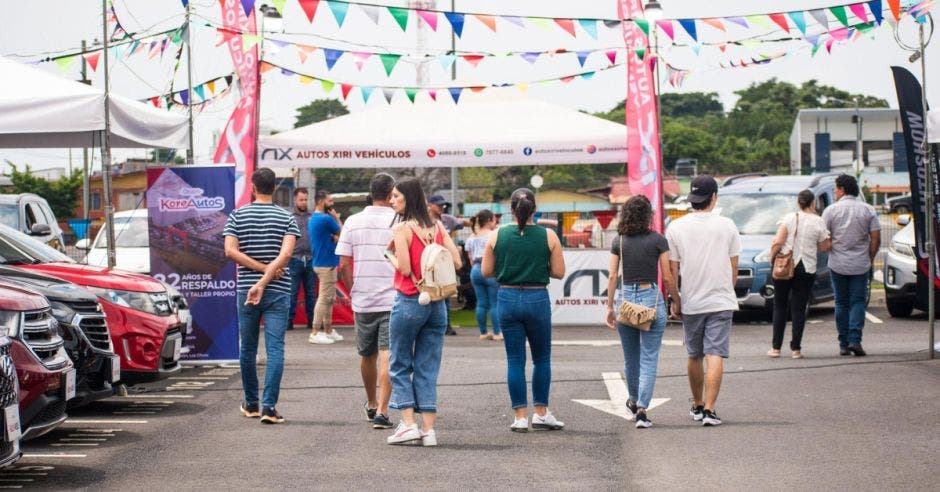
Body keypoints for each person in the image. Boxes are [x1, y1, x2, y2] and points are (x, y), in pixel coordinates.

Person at [482, 188, 566, 433]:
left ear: (511, 210)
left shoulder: (497, 235)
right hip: (536, 297)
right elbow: (559, 272)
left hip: (507, 297)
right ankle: (541, 412)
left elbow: (487, 271)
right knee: (541, 358)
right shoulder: (548, 236)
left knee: (515, 360)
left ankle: (520, 416)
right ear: (535, 210)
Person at [385, 178, 462, 446]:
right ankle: (429, 430)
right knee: (427, 366)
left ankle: (408, 424)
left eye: (396, 197)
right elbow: (456, 261)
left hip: (410, 300)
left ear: (407, 199)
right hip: (438, 303)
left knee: (399, 362)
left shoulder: (402, 229)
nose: (392, 201)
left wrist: (390, 256)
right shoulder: (437, 225)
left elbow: (405, 269)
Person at [223, 168, 300, 424]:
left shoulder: (237, 215)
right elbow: (287, 255)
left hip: (246, 288)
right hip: (277, 290)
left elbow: (230, 251)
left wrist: (257, 272)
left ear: (253, 188)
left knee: (248, 348)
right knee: (275, 348)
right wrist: (268, 271)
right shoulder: (286, 217)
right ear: (275, 188)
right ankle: (269, 407)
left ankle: (251, 403)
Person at [665, 175, 741, 427]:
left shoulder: (676, 227)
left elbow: (672, 270)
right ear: (714, 197)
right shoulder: (728, 225)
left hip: (692, 301)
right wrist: (726, 291)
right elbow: (734, 266)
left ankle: (697, 404)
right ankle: (710, 409)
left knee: (694, 354)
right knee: (715, 353)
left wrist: (675, 299)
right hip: (721, 299)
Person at [604, 196, 680, 429]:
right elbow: (667, 276)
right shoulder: (658, 240)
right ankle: (642, 410)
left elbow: (613, 276)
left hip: (626, 299)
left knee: (631, 358)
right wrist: (676, 301)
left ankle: (633, 398)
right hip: (650, 299)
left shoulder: (620, 241)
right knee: (649, 357)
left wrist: (609, 306)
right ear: (648, 215)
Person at [335, 174, 397, 430]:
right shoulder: (399, 220)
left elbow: (343, 265)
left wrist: (352, 289)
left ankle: (372, 403)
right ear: (391, 193)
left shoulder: (352, 221)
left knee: (366, 354)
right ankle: (383, 410)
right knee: (388, 354)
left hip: (363, 298)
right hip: (394, 296)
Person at [768, 190, 831, 359]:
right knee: (799, 308)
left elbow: (778, 241)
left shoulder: (789, 218)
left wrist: (772, 258)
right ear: (813, 203)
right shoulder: (819, 221)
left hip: (785, 266)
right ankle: (796, 349)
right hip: (807, 268)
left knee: (780, 306)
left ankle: (776, 348)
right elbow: (825, 247)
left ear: (798, 202)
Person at [822, 175, 881, 357]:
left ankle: (843, 343)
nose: (834, 191)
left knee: (841, 302)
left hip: (837, 263)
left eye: (835, 188)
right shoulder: (868, 210)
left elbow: (825, 238)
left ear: (841, 189)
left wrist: (832, 250)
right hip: (860, 264)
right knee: (857, 302)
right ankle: (856, 340)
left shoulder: (830, 211)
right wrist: (869, 257)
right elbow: (876, 238)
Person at [307, 190, 344, 345]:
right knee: (324, 298)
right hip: (326, 263)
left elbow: (335, 238)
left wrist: (335, 238)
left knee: (329, 298)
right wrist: (336, 218)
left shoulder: (315, 218)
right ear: (321, 201)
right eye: (329, 200)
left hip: (323, 262)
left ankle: (328, 330)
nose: (332, 203)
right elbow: (344, 233)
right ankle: (315, 332)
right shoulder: (325, 219)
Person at [428, 194, 467, 336]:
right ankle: (431, 323)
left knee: (446, 293)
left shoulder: (447, 220)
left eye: (442, 205)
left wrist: (476, 224)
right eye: (438, 204)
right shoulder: (424, 220)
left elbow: (464, 223)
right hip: (428, 262)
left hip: (444, 262)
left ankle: (446, 325)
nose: (441, 207)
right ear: (430, 205)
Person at [465, 209, 501, 341]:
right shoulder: (493, 235)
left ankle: (483, 332)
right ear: (490, 220)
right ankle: (497, 333)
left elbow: (470, 258)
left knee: (481, 302)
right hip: (490, 270)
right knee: (494, 303)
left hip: (475, 270)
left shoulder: (471, 237)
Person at [287, 188, 318, 332]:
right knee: (292, 292)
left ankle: (313, 321)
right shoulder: (288, 217)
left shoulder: (314, 216)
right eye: (301, 199)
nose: (304, 202)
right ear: (295, 200)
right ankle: (288, 321)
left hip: (312, 258)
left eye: (306, 199)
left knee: (311, 293)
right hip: (294, 259)